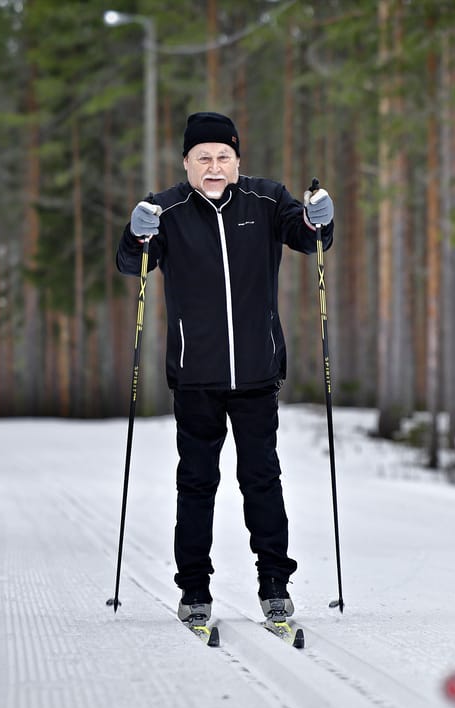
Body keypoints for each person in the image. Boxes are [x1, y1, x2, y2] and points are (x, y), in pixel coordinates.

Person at [115, 111, 334, 631]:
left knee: (263, 480)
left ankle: (275, 585)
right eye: (203, 157)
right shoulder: (166, 210)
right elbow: (132, 264)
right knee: (196, 484)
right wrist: (135, 233)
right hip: (196, 377)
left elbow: (308, 238)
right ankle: (194, 590)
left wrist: (319, 217)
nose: (214, 166)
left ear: (237, 160)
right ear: (186, 163)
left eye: (223, 157)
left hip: (257, 373)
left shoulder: (266, 200)